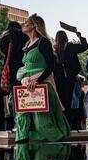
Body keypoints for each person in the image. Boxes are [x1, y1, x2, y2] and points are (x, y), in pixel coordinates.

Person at [15, 14, 70, 143]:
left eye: (27, 22)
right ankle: (22, 146)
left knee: (42, 118)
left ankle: (56, 149)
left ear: (34, 25)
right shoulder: (27, 44)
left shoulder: (43, 42)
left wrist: (37, 80)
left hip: (41, 85)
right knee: (22, 116)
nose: (24, 24)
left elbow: (51, 66)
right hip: (26, 85)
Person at [53, 29, 88, 123]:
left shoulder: (54, 49)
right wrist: (80, 37)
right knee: (68, 100)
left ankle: (59, 121)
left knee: (59, 101)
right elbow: (85, 46)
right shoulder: (71, 46)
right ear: (66, 37)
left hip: (57, 79)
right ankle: (68, 122)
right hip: (70, 78)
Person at [0, 21, 30, 130]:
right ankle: (25, 123)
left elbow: (4, 52)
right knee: (25, 98)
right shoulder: (24, 37)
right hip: (23, 71)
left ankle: (16, 123)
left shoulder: (4, 39)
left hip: (11, 73)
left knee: (14, 98)